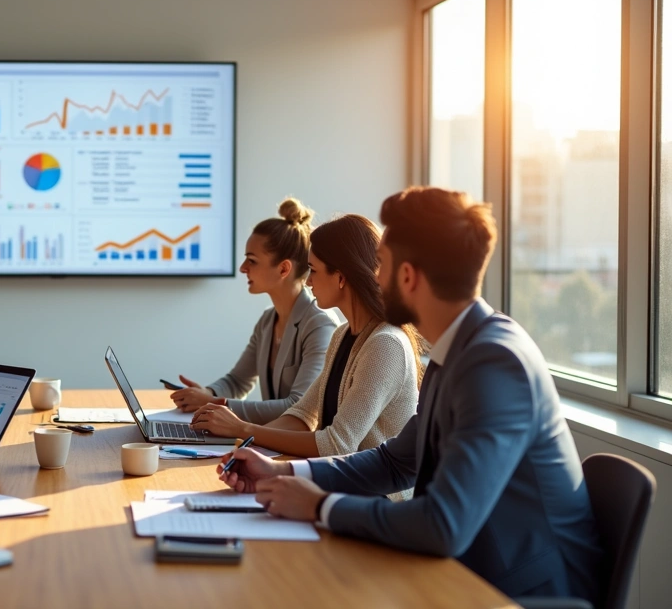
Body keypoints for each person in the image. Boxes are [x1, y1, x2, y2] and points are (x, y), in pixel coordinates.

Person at [218, 188, 602, 603]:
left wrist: (320, 506)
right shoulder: (457, 349)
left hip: (515, 590)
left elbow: (444, 524)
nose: (374, 276)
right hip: (466, 570)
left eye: (381, 264)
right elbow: (397, 460)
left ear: (409, 275)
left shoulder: (495, 362)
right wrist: (287, 475)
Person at [192, 214, 422, 463]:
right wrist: (243, 443)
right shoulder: (342, 335)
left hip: (377, 497)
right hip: (341, 483)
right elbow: (301, 417)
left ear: (341, 277)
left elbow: (337, 443)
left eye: (313, 270)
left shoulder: (385, 344)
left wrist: (243, 430)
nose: (309, 281)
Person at [169, 198, 338, 424]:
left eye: (252, 260)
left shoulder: (320, 325)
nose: (242, 268)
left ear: (283, 268)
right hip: (273, 442)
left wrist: (215, 405)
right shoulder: (269, 320)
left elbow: (299, 407)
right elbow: (238, 381)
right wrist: (207, 394)